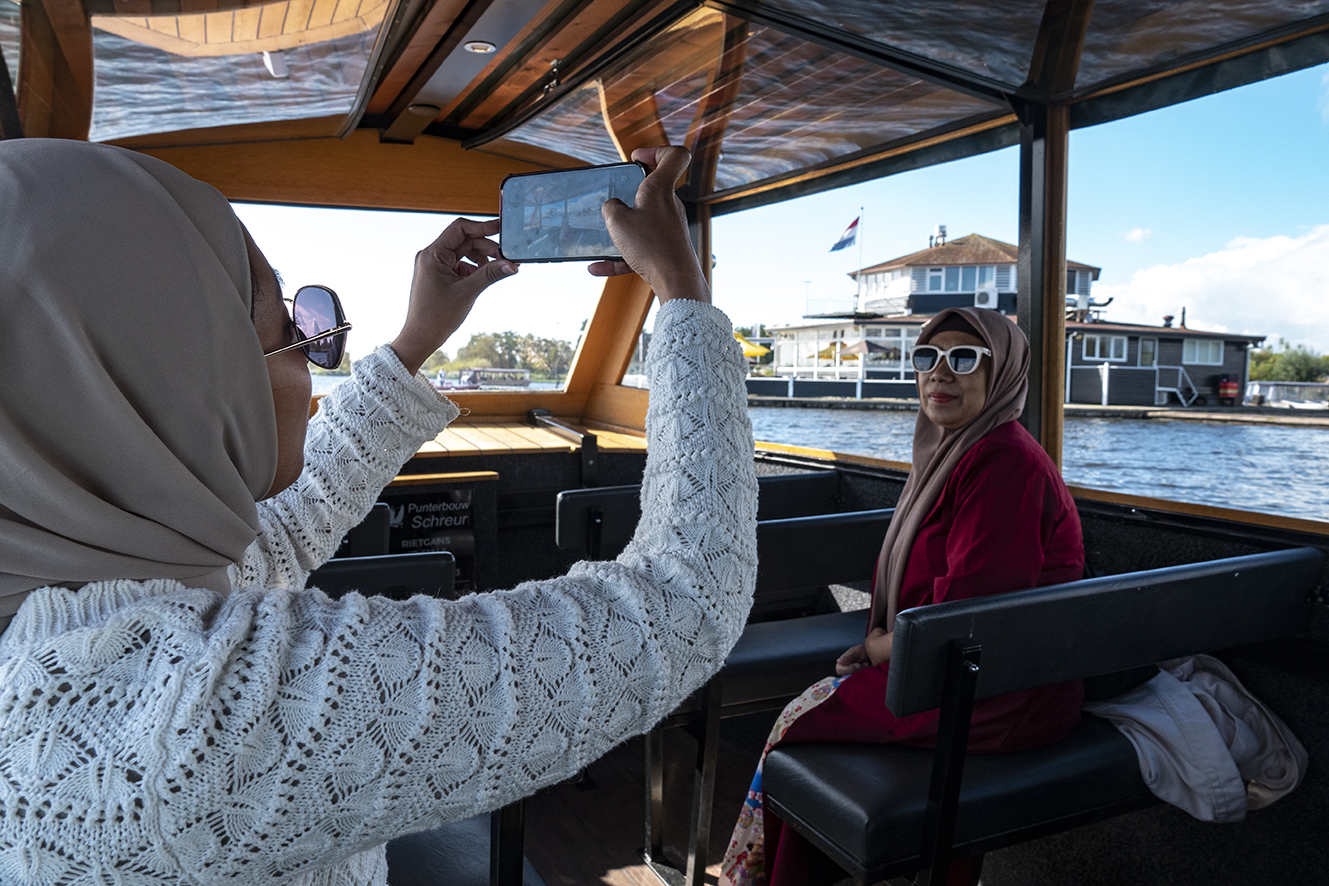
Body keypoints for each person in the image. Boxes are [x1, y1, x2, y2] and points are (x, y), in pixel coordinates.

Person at [0, 140, 757, 885]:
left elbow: (290, 524)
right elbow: (683, 605)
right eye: (284, 325)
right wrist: (684, 300)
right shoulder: (202, 721)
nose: (312, 349)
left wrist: (416, 339)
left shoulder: (65, 587)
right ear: (173, 374)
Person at [720, 307, 1084, 886]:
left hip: (995, 693)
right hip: (958, 673)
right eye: (927, 358)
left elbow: (964, 617)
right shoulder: (955, 450)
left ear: (1005, 373)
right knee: (807, 716)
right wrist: (884, 646)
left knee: (795, 722)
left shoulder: (1002, 462)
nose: (939, 373)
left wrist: (875, 648)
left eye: (965, 358)